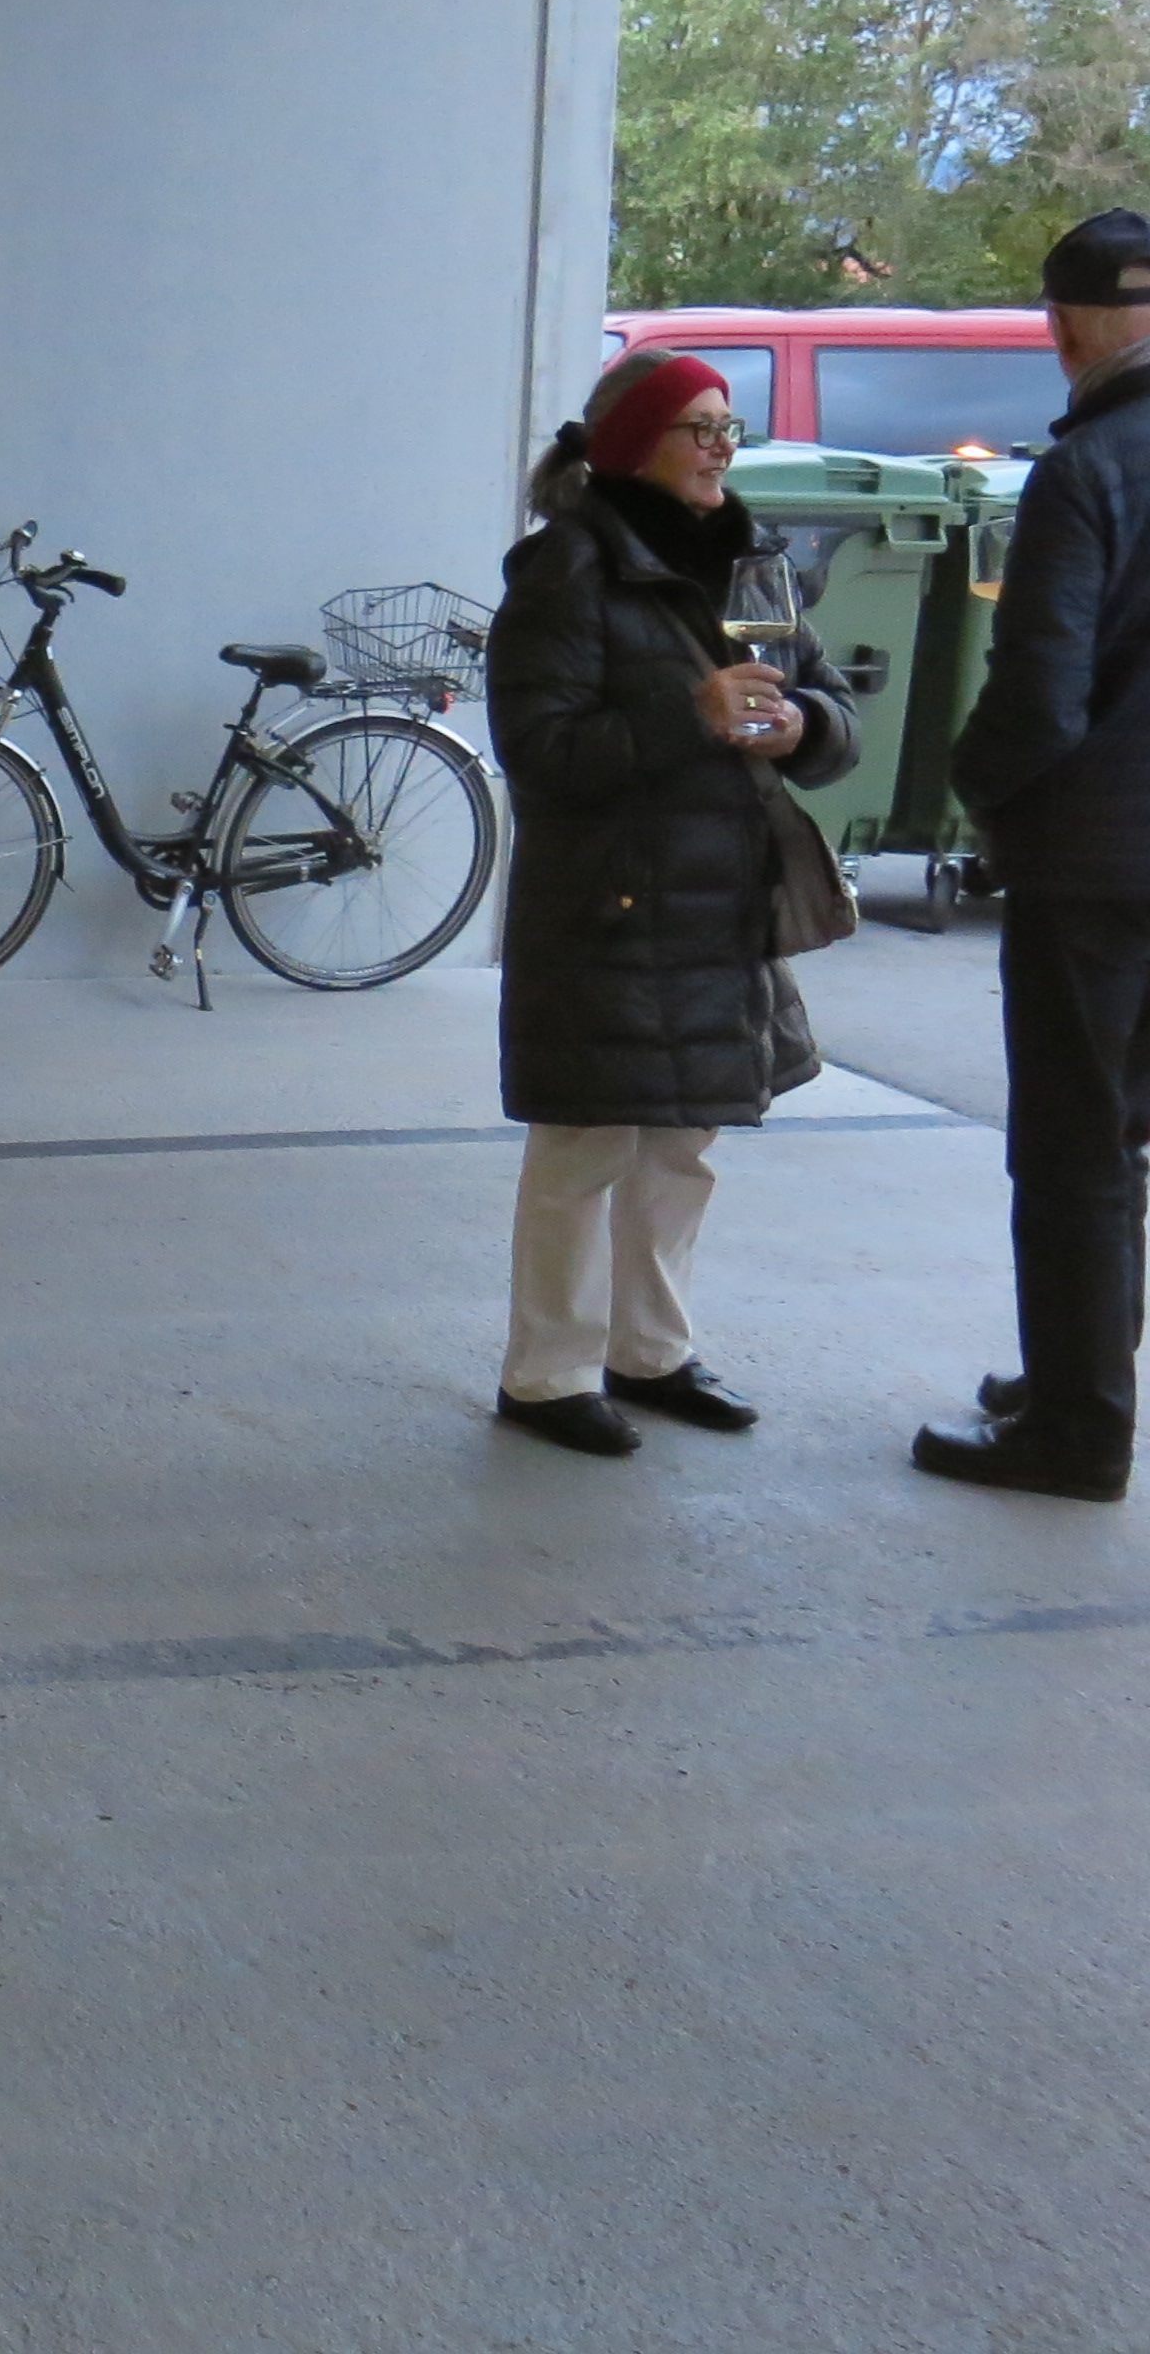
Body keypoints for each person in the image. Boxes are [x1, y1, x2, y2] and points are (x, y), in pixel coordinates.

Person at [488, 346, 859, 1457]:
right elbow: (541, 754)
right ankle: (546, 1374)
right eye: (697, 427)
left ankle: (651, 1352)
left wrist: (806, 729)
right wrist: (685, 716)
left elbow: (829, 704)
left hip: (716, 904)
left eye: (727, 428)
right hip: (611, 903)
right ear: (631, 441)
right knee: (587, 1144)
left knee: (683, 1147)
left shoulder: (748, 556)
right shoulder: (566, 570)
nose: (720, 449)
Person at [914, 209, 1150, 1504]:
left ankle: (1076, 1427)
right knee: (1128, 1144)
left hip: (1097, 869)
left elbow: (1041, 696)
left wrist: (978, 792)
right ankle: (1081, 1374)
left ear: (1065, 326)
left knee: (1072, 1149)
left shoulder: (1091, 469)